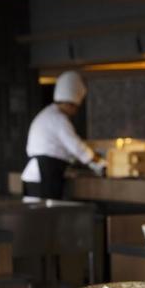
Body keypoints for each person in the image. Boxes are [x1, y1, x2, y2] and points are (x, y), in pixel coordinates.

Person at [21, 70, 104, 199]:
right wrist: (98, 162)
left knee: (39, 215)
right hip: (46, 174)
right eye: (75, 107)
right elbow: (76, 146)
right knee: (46, 215)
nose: (75, 112)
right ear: (70, 104)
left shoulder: (47, 114)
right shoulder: (58, 119)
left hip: (36, 174)